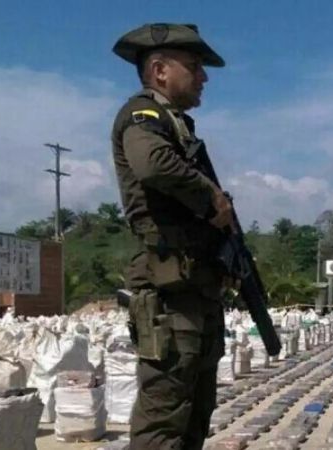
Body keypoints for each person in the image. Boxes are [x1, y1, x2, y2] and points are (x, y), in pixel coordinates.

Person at [110, 23, 232, 449]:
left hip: (193, 290)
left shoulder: (177, 125)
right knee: (164, 419)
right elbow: (153, 165)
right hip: (168, 291)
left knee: (195, 415)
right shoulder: (144, 116)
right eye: (195, 67)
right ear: (160, 70)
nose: (204, 77)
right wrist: (211, 197)